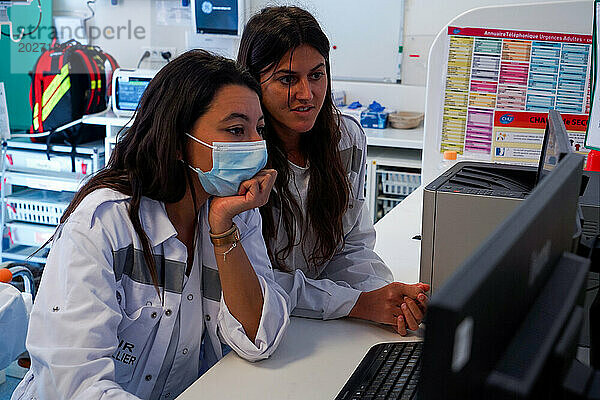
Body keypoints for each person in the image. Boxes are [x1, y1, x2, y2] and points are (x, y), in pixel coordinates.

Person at [12, 50, 290, 400]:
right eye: (236, 130)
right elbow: (76, 385)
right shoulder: (103, 223)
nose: (254, 144)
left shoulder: (235, 213)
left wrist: (222, 229)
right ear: (177, 141)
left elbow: (258, 338)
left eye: (258, 130)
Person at [238, 6, 429, 336]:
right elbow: (251, 281)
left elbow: (351, 247)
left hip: (326, 322)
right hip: (258, 329)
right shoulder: (240, 158)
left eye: (316, 74)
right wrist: (357, 303)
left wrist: (385, 298)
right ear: (254, 82)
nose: (306, 94)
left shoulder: (346, 140)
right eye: (287, 79)